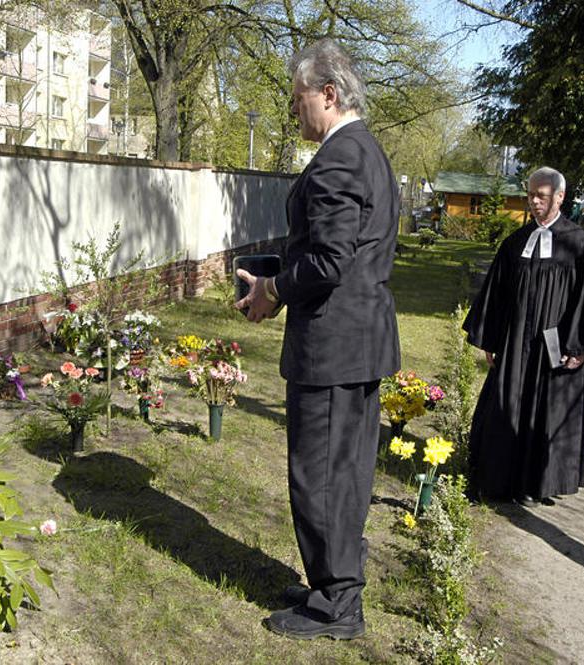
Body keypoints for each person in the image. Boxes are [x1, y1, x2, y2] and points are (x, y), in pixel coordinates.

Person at [235, 39, 400, 640]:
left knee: (322, 474)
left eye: (297, 98)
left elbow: (329, 262)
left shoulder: (337, 159)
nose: (293, 111)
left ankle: (336, 605)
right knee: (343, 472)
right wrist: (280, 268)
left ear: (328, 94)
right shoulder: (368, 153)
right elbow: (340, 253)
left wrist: (273, 289)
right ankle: (334, 583)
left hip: (333, 347)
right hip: (357, 339)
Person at [463, 167, 584, 506]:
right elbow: (497, 294)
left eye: (542, 196)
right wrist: (490, 338)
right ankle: (500, 480)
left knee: (547, 410)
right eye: (530, 194)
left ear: (560, 197)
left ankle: (536, 483)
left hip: (556, 348)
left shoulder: (581, 245)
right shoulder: (515, 243)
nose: (534, 201)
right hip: (516, 345)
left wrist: (581, 346)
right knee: (507, 406)